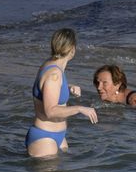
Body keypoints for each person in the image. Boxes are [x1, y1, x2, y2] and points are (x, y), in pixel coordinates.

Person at [26, 28, 98, 158]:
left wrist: (68, 87)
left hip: (57, 137)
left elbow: (47, 87)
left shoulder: (52, 65)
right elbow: (50, 111)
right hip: (45, 137)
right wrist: (79, 109)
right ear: (72, 50)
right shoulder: (54, 74)